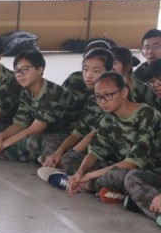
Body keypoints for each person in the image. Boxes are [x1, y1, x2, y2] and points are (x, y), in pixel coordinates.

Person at [48, 73, 161, 203]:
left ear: (124, 92)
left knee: (122, 175)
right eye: (98, 97)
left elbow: (132, 163)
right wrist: (80, 172)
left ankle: (85, 186)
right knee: (70, 159)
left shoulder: (147, 115)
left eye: (108, 96)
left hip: (148, 172)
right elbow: (96, 152)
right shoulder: (108, 117)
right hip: (119, 164)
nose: (102, 101)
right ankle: (111, 191)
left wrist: (88, 176)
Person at [0, 50, 77, 162]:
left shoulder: (55, 93)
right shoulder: (26, 91)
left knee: (31, 142)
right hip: (44, 132)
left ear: (40, 70)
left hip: (67, 136)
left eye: (25, 70)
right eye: (17, 70)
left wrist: (2, 144)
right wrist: (0, 137)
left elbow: (34, 130)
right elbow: (20, 123)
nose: (19, 75)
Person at [41, 48, 114, 173]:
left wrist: (69, 154)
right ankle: (57, 166)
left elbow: (94, 135)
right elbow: (79, 131)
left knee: (69, 160)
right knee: (51, 141)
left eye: (96, 71)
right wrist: (58, 153)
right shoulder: (93, 98)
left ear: (110, 71)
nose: (88, 75)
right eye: (85, 70)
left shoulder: (112, 98)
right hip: (89, 142)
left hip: (107, 149)